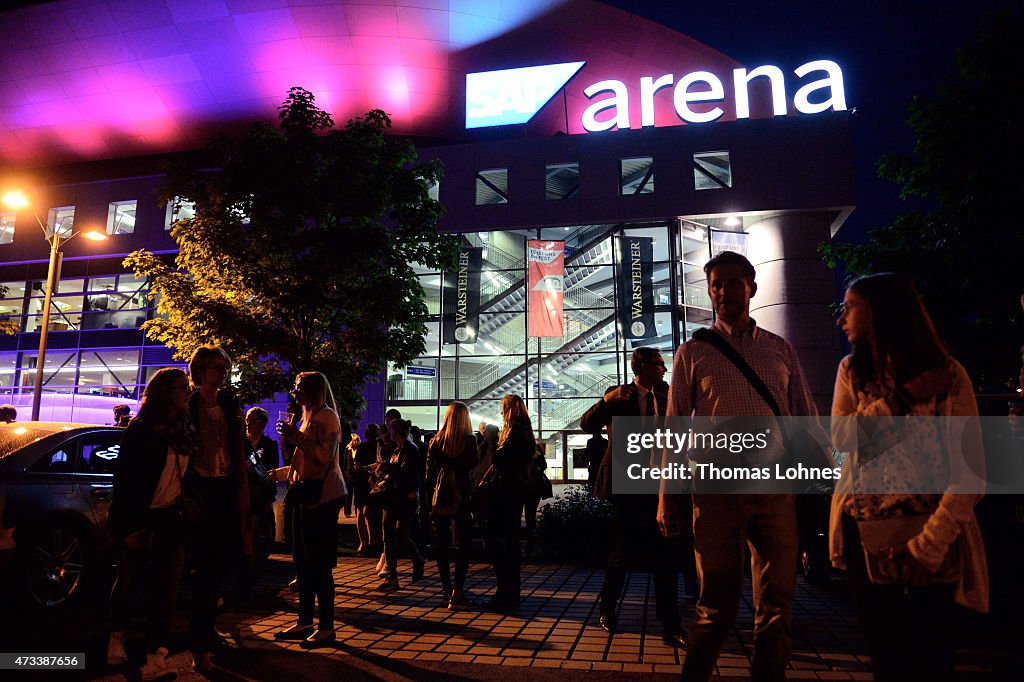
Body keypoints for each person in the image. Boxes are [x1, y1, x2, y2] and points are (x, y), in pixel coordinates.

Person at [657, 251, 818, 682]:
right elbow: (674, 426)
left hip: (774, 488)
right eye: (716, 285)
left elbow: (806, 418)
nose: (724, 291)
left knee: (777, 603)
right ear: (710, 293)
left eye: (732, 282)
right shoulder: (693, 352)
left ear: (751, 287)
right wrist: (666, 496)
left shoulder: (779, 349)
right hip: (715, 491)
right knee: (716, 603)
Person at [830, 273, 988, 681]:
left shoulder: (949, 375)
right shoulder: (852, 371)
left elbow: (970, 473)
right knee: (886, 656)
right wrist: (901, 399)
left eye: (850, 307)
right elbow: (843, 440)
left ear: (880, 311)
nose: (841, 319)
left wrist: (928, 547)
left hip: (934, 534)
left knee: (931, 657)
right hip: (867, 537)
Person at [581, 347, 689, 649]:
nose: (664, 369)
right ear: (641, 366)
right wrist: (605, 402)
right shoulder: (619, 395)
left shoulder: (667, 396)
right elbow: (586, 424)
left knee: (665, 556)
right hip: (627, 486)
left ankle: (670, 625)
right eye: (659, 364)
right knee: (622, 552)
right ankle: (607, 610)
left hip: (660, 486)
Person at [107, 368, 196, 680]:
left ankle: (155, 653)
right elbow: (127, 480)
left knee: (166, 586)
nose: (188, 392)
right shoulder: (142, 429)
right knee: (129, 579)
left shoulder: (183, 427)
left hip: (170, 516)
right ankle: (116, 638)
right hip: (139, 515)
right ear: (164, 392)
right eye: (181, 388)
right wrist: (130, 525)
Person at [185, 346, 251, 673]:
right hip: (200, 489)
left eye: (224, 367)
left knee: (220, 564)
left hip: (225, 487)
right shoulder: (189, 404)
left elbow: (240, 449)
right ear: (200, 369)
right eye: (215, 367)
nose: (221, 372)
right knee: (203, 570)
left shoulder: (228, 403)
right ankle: (200, 644)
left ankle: (206, 626)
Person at [273, 371, 347, 648]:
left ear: (314, 390)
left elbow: (324, 456)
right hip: (306, 493)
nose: (295, 391)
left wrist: (295, 436)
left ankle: (326, 627)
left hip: (322, 496)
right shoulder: (308, 418)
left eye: (300, 387)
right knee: (303, 563)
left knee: (318, 564)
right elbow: (304, 461)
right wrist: (279, 474)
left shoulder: (326, 416)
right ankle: (305, 621)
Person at [486, 394, 536, 612]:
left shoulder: (514, 432)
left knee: (501, 540)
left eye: (502, 408)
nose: (500, 412)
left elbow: (500, 459)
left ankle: (506, 592)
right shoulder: (524, 431)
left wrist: (492, 447)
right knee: (509, 541)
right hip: (513, 491)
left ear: (510, 410)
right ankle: (509, 591)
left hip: (505, 491)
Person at [426, 402, 478, 609]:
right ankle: (458, 590)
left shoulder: (436, 441)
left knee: (442, 543)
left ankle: (446, 590)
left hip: (441, 494)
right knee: (464, 543)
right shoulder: (470, 440)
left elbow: (429, 473)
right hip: (462, 493)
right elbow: (473, 464)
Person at [376, 418, 425, 592]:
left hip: (403, 498)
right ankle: (392, 576)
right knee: (389, 535)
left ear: (396, 432)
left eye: (391, 430)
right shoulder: (398, 449)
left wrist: (387, 468)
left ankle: (416, 558)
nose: (389, 434)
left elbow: (408, 474)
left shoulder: (410, 450)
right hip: (394, 498)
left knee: (400, 537)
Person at [352, 425, 381, 556]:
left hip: (373, 482)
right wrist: (358, 468)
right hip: (362, 482)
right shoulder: (362, 447)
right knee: (360, 511)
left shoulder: (379, 446)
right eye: (368, 430)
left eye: (371, 431)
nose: (368, 433)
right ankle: (364, 542)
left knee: (367, 511)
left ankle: (371, 541)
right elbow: (357, 463)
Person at [245, 407, 280, 472]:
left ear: (262, 424)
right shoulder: (241, 443)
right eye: (247, 420)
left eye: (253, 421)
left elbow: (272, 470)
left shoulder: (270, 445)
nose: (248, 424)